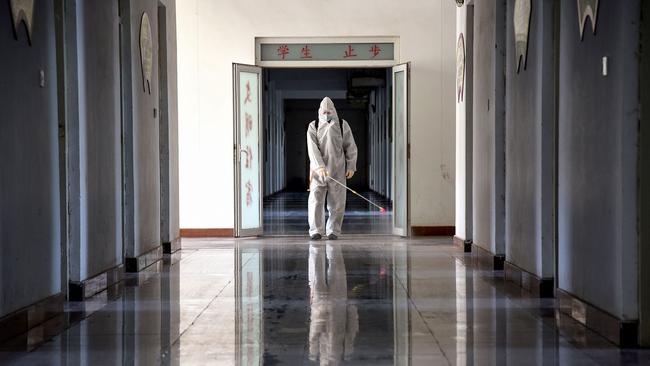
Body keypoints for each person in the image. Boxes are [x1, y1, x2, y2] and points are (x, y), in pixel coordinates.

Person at [307, 97, 358, 240]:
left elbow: (350, 146)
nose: (326, 114)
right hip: (318, 172)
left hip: (337, 169)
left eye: (329, 111)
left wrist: (351, 166)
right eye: (324, 111)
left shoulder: (342, 125)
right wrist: (320, 167)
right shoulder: (314, 125)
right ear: (319, 111)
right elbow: (312, 149)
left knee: (337, 201)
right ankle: (315, 230)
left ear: (334, 111)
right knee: (316, 200)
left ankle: (333, 231)